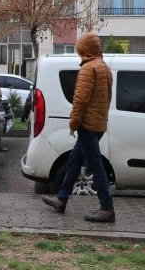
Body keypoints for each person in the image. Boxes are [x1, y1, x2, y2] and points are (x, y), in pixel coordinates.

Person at [42, 32, 115, 223]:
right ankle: (62, 198)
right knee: (74, 160)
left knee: (95, 165)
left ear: (84, 48)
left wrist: (73, 123)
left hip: (87, 125)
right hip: (98, 123)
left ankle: (106, 208)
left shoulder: (88, 68)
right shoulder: (105, 67)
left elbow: (80, 100)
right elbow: (107, 98)